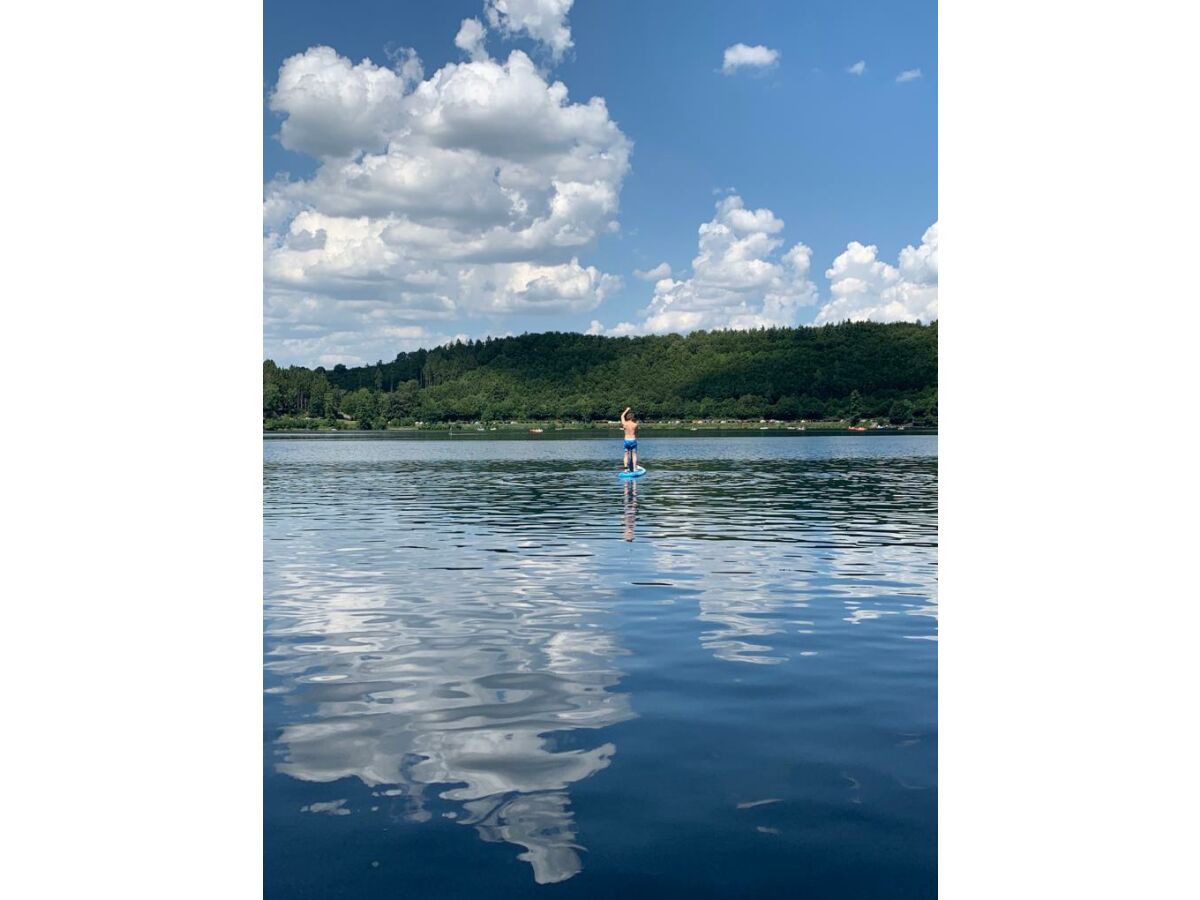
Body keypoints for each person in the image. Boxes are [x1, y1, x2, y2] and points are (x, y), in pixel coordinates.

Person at [620, 406, 639, 471]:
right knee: (634, 455)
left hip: (626, 440)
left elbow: (622, 416)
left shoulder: (624, 423)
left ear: (627, 417)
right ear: (633, 417)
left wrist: (626, 410)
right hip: (633, 440)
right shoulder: (635, 424)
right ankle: (635, 468)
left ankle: (625, 469)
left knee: (626, 455)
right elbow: (636, 432)